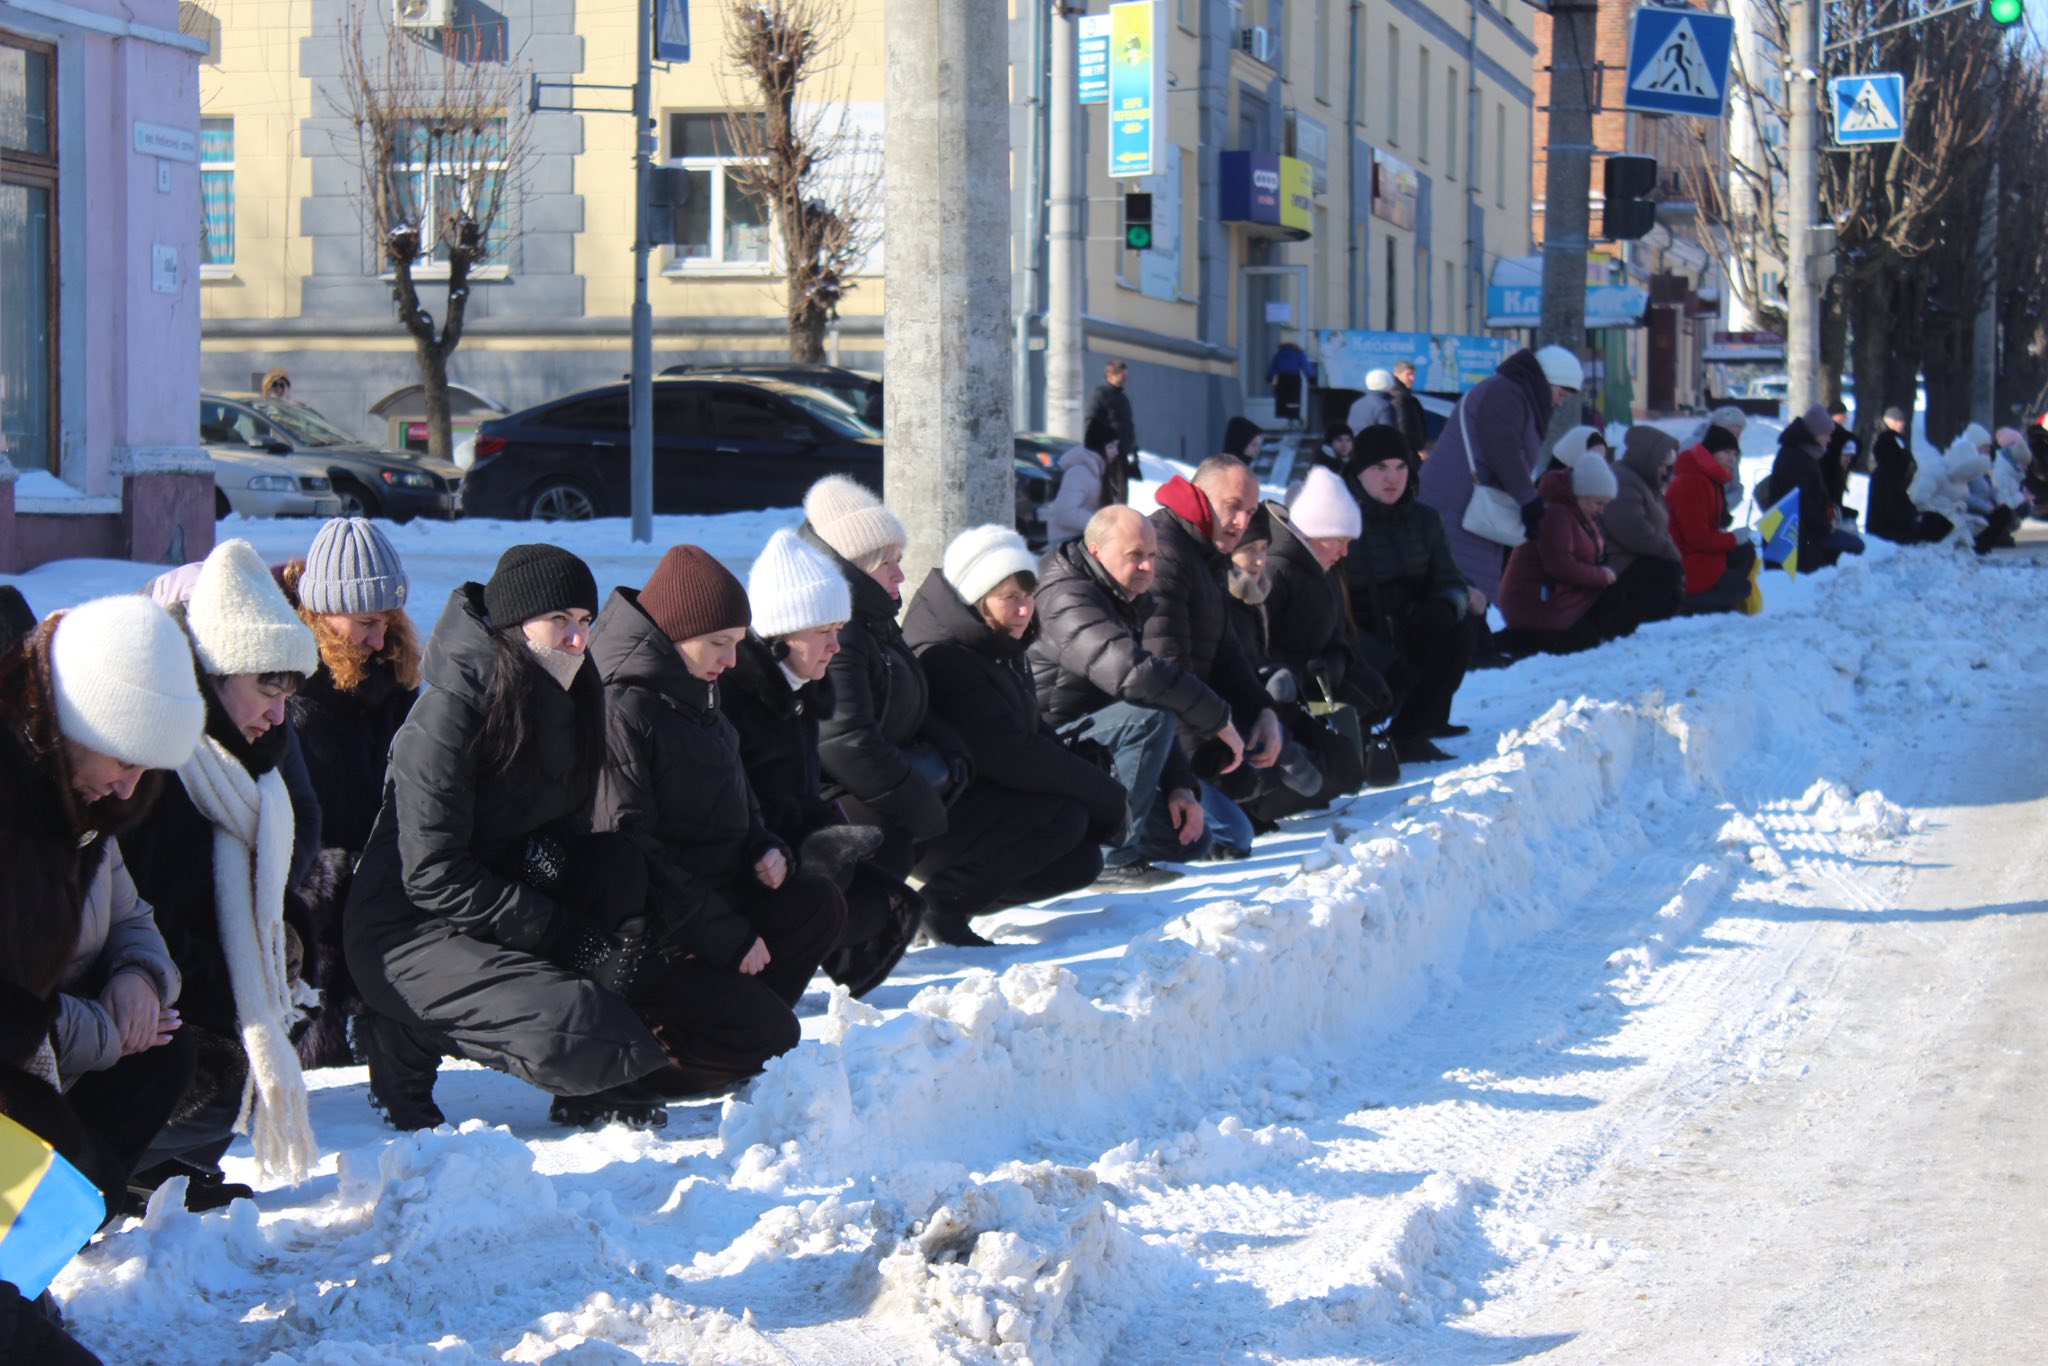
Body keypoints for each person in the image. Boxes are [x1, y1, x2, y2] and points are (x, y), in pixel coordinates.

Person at [345, 544, 674, 1133]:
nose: (578, 640)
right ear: (515, 625)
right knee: (576, 1028)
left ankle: (595, 1073)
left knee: (615, 865)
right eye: (560, 622)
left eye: (585, 622)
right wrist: (557, 930)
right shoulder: (447, 715)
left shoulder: (572, 696)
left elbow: (569, 834)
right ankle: (403, 1032)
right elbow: (431, 874)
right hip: (405, 931)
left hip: (495, 897)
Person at [588, 546, 847, 1094]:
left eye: (735, 644)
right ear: (675, 634)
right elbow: (629, 845)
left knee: (815, 903)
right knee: (776, 1039)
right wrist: (725, 936)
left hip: (706, 905)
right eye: (719, 644)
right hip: (649, 938)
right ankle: (642, 1063)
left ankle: (728, 1034)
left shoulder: (697, 691)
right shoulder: (624, 707)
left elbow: (738, 803)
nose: (732, 661)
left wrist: (765, 847)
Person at [119, 539, 325, 1203]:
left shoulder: (254, 769)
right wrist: (223, 983)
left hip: (195, 989)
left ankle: (161, 1169)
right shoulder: (157, 768)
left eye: (288, 693)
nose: (277, 712)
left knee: (255, 1036)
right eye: (267, 687)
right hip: (138, 1001)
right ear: (215, 673)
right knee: (224, 1078)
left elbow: (276, 882)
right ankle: (109, 1167)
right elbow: (130, 911)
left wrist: (284, 948)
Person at [1, 597, 206, 1226]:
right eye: (123, 761)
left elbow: (131, 916)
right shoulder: (20, 816)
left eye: (146, 770)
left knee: (167, 1053)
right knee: (79, 1187)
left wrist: (136, 979)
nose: (128, 789)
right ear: (78, 724)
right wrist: (108, 1028)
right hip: (34, 1055)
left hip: (49, 1047)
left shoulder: (83, 813)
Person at [901, 527, 1126, 944]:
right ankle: (943, 905)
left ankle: (952, 899)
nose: (1024, 610)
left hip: (982, 804)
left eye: (1028, 596)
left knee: (1080, 861)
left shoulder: (998, 643)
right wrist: (1101, 795)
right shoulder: (949, 658)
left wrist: (1090, 782)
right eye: (1010, 599)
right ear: (976, 598)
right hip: (939, 820)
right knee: (1063, 819)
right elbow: (1010, 753)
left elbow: (1031, 729)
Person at [724, 529, 915, 997]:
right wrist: (812, 849)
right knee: (842, 895)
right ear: (782, 634)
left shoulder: (800, 694)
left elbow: (802, 794)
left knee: (887, 894)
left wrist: (834, 829)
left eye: (837, 632)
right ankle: (759, 991)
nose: (835, 646)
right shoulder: (738, 699)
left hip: (783, 851)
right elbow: (736, 814)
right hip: (746, 870)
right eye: (824, 633)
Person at [798, 477, 977, 949]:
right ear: (854, 567)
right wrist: (917, 801)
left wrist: (950, 747)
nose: (901, 575)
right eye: (887, 565)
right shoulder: (844, 625)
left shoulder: (874, 613)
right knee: (886, 840)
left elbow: (908, 694)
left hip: (871, 772)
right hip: (829, 788)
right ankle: (841, 945)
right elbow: (843, 738)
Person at [270, 518, 421, 1070]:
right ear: (321, 614)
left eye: (388, 622)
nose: (380, 640)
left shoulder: (395, 682)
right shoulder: (283, 694)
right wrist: (337, 869)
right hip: (318, 930)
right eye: (365, 623)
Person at [1030, 505, 1235, 882]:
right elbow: (1134, 676)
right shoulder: (1064, 597)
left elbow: (1145, 696)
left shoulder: (1122, 596)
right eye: (1134, 556)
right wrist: (1218, 718)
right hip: (1048, 746)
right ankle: (1111, 859)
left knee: (1190, 841)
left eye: (1152, 556)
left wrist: (1179, 785)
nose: (1147, 567)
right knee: (1149, 716)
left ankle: (1093, 844)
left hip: (1091, 746)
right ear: (1096, 551)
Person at [1147, 458, 1289, 854]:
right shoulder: (1166, 553)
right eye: (1233, 506)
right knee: (1231, 836)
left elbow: (1226, 655)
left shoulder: (1204, 552)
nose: (1242, 522)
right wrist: (1212, 751)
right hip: (1147, 741)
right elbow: (1165, 676)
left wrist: (1264, 711)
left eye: (1250, 511)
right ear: (1199, 496)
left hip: (1185, 729)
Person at [1343, 425, 1478, 754]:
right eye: (1380, 468)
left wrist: (1446, 605)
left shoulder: (1425, 519)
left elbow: (1450, 579)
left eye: (1401, 467)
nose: (1393, 478)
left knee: (1462, 625)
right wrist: (1381, 655)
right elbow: (1324, 607)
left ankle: (1413, 731)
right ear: (1359, 472)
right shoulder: (1337, 518)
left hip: (1411, 625)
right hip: (1357, 635)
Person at [1417, 345, 1582, 609]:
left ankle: (1475, 641)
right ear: (1546, 381)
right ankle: (1468, 643)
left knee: (1468, 585)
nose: (1559, 402)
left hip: (1469, 504)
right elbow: (1503, 449)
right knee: (1460, 585)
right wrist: (1528, 499)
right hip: (1455, 504)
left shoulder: (1514, 393)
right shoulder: (1506, 392)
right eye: (1560, 393)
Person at [1495, 453, 1631, 656]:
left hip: (1559, 598)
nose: (1601, 510)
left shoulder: (1577, 516)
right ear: (1580, 495)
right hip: (1537, 603)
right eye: (1597, 503)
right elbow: (1560, 566)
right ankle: (1515, 642)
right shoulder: (1555, 515)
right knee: (1582, 640)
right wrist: (1601, 576)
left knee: (1612, 596)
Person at [1599, 427, 1685, 630]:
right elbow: (1634, 531)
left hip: (1636, 558)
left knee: (1672, 582)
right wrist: (1669, 552)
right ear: (1648, 458)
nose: (1665, 472)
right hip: (1619, 562)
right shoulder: (1623, 481)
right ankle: (1618, 623)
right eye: (1662, 466)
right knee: (1665, 573)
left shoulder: (1645, 482)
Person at [1666, 425, 1758, 614]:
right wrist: (1732, 539)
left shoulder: (1710, 479)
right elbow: (1698, 539)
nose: (1732, 459)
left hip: (1699, 557)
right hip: (1684, 564)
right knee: (1741, 588)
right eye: (1726, 452)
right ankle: (1685, 602)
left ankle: (1716, 599)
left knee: (1745, 551)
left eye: (1735, 454)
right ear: (1710, 453)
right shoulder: (1693, 482)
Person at [1768, 405, 1864, 570]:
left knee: (1853, 542)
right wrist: (1827, 526)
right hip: (1796, 536)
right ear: (1816, 434)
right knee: (1855, 545)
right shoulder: (1797, 459)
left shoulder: (1804, 454)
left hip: (1804, 529)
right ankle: (1826, 575)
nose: (1829, 440)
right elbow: (1803, 504)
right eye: (1827, 434)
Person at [1046, 415, 1121, 546]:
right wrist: (1101, 525)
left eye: (1116, 446)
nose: (1116, 452)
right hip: (1067, 543)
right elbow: (1065, 512)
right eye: (1111, 447)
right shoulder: (1080, 472)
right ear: (1098, 448)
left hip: (1084, 539)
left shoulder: (1100, 472)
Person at [1085, 360, 1138, 502]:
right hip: (1106, 456)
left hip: (1122, 456)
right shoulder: (1100, 394)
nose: (1125, 379)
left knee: (1121, 496)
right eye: (1122, 376)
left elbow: (1127, 425)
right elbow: (1092, 422)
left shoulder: (1123, 398)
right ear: (1110, 375)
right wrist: (1100, 449)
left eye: (1125, 376)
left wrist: (1133, 449)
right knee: (1107, 495)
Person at [1864, 407, 1920, 544]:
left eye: (1902, 420)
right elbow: (1874, 461)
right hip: (1886, 485)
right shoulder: (1883, 439)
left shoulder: (1895, 438)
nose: (1902, 424)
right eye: (1898, 420)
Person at [1822, 401, 1859, 523]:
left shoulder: (1826, 431)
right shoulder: (1838, 433)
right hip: (1831, 474)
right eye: (1842, 414)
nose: (1845, 417)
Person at [1266, 338, 1317, 423]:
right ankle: (1293, 417)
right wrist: (1311, 378)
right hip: (1294, 378)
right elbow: (1306, 366)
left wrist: (1269, 377)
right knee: (1294, 399)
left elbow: (1273, 367)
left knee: (1282, 399)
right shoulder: (1299, 353)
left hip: (1282, 379)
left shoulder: (1279, 354)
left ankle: (1282, 419)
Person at [1389, 360, 1431, 458]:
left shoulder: (1408, 397)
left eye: (1413, 375)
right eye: (1408, 374)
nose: (1412, 378)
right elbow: (1403, 425)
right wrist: (1417, 448)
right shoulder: (1400, 397)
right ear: (1397, 375)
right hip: (1407, 452)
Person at [1346, 369, 1399, 438]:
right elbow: (1389, 435)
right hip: (1377, 447)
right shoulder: (1385, 406)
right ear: (1389, 383)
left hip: (1358, 446)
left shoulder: (1356, 404)